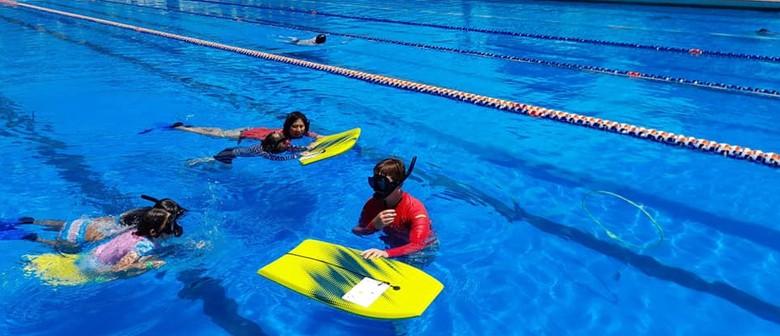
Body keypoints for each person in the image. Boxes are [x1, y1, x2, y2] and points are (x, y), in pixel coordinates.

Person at [0, 195, 186, 254]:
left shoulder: (141, 212)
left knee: (65, 224)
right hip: (74, 239)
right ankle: (34, 238)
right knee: (64, 248)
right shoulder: (142, 229)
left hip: (78, 224)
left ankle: (32, 221)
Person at [351, 157, 439, 268]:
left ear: (399, 184)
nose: (376, 188)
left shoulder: (415, 209)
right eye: (374, 182)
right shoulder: (372, 204)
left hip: (421, 250)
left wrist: (386, 253)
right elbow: (357, 230)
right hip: (392, 244)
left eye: (382, 184)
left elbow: (418, 244)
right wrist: (373, 226)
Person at [76, 201, 185, 277]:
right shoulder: (145, 246)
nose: (173, 227)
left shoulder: (132, 232)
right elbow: (119, 268)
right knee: (149, 260)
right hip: (95, 270)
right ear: (153, 232)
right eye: (169, 224)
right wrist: (150, 264)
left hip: (91, 256)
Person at [171, 111, 320, 143]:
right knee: (217, 134)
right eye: (295, 127)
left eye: (301, 126)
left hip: (255, 129)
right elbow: (290, 148)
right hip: (246, 134)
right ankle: (184, 128)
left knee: (217, 131)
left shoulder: (304, 133)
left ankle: (190, 127)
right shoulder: (283, 136)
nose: (299, 130)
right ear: (288, 126)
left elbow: (317, 136)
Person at [211, 131, 311, 164]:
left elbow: (290, 147)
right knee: (214, 162)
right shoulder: (262, 152)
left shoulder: (271, 146)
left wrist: (304, 148)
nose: (287, 142)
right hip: (229, 154)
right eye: (284, 141)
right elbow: (277, 158)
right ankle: (199, 162)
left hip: (235, 150)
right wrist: (297, 156)